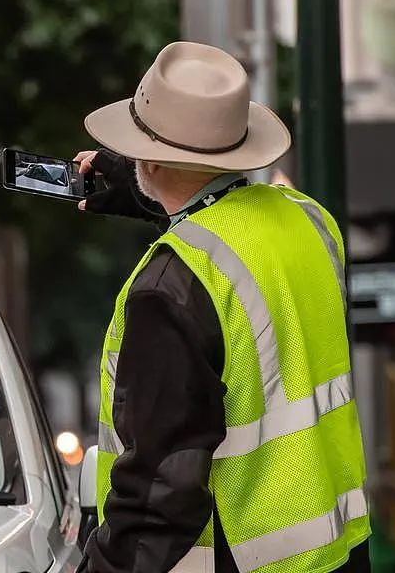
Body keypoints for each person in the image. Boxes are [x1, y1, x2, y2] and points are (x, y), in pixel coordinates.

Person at [74, 41, 371, 573]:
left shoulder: (164, 291)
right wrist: (150, 194)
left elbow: (157, 498)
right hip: (339, 553)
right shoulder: (310, 220)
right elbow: (233, 234)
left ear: (151, 161)